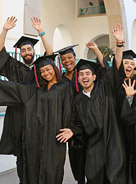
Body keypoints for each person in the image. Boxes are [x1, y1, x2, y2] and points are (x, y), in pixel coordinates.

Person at [0, 55, 73, 184]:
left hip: (54, 139)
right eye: (42, 71)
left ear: (54, 68)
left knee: (53, 170)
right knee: (33, 170)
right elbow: (16, 88)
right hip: (35, 138)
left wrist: (70, 130)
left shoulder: (65, 88)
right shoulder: (36, 90)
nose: (46, 73)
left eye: (48, 69)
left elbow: (69, 112)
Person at [0, 16, 53, 183]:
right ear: (20, 52)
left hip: (37, 114)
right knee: (21, 152)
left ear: (33, 51)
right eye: (23, 50)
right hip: (18, 115)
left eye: (29, 49)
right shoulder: (14, 66)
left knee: (37, 151)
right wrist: (5, 30)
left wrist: (41, 32)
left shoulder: (40, 67)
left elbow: (51, 53)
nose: (26, 52)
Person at [55, 42, 106, 184]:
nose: (67, 61)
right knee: (78, 163)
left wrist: (96, 49)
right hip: (75, 126)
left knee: (95, 162)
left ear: (75, 57)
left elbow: (104, 70)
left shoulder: (84, 74)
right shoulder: (60, 80)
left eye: (69, 57)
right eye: (63, 59)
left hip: (92, 125)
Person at [71, 59, 126, 184]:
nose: (84, 76)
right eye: (81, 74)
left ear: (94, 77)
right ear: (78, 79)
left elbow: (115, 69)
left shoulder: (105, 89)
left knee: (115, 179)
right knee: (94, 178)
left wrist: (119, 45)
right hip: (94, 148)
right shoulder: (78, 100)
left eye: (87, 73)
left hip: (113, 143)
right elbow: (78, 123)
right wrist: (73, 131)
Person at [112, 23, 136, 183]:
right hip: (118, 125)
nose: (128, 65)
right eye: (126, 63)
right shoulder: (116, 80)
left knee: (133, 156)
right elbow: (116, 61)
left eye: (132, 64)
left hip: (134, 125)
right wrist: (119, 44)